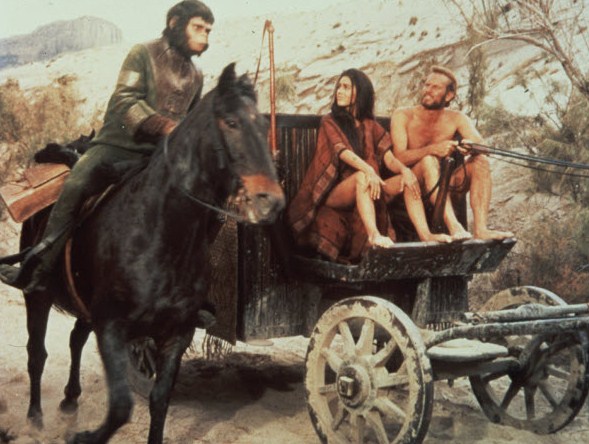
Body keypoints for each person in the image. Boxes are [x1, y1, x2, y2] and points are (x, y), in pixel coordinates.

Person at [0, 0, 215, 292]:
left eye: (208, 30)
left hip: (160, 157)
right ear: (175, 23)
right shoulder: (143, 53)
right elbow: (124, 101)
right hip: (118, 146)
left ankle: (189, 290)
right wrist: (165, 126)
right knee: (76, 183)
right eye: (198, 27)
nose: (204, 36)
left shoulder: (196, 75)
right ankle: (40, 267)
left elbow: (189, 119)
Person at [287, 69, 451, 263]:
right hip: (337, 193)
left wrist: (405, 171)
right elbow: (343, 152)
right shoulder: (329, 121)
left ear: (360, 92)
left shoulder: (369, 124)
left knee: (407, 180)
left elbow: (389, 158)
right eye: (339, 87)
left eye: (346, 87)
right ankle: (373, 235)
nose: (339, 91)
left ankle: (426, 235)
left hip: (369, 184)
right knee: (362, 177)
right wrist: (369, 170)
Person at [391, 65, 514, 240]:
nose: (428, 90)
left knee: (481, 161)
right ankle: (454, 226)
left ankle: (481, 229)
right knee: (428, 160)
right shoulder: (403, 115)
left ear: (449, 95)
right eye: (427, 85)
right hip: (413, 184)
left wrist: (470, 146)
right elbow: (399, 157)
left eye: (435, 87)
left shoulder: (457, 118)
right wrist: (433, 149)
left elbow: (483, 147)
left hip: (444, 184)